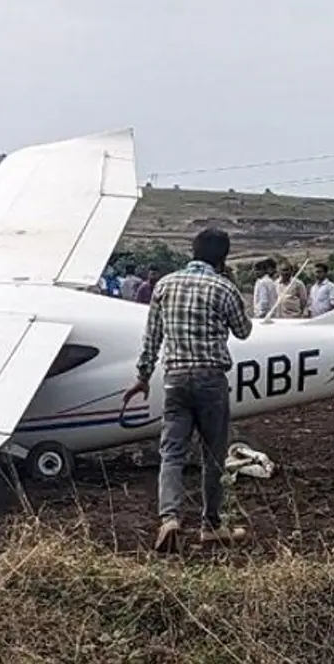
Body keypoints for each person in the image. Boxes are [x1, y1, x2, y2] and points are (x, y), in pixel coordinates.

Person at [124, 228, 253, 553]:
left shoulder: (165, 285)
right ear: (222, 258)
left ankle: (170, 518)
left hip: (175, 379)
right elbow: (244, 331)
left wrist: (142, 376)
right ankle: (211, 525)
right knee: (213, 456)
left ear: (192, 252)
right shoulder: (223, 287)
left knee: (172, 453)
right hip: (211, 379)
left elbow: (151, 338)